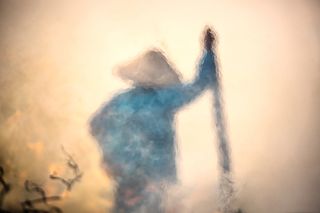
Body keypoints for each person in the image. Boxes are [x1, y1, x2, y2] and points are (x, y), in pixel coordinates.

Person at [90, 27, 217, 213]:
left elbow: (95, 125)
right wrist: (207, 52)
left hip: (127, 182)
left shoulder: (119, 101)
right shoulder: (163, 98)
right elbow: (198, 85)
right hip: (158, 183)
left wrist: (109, 157)